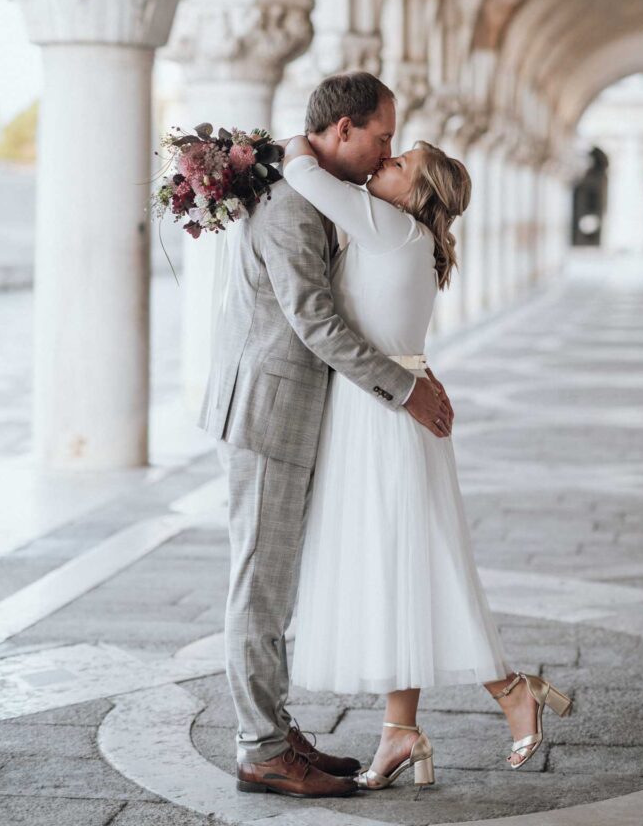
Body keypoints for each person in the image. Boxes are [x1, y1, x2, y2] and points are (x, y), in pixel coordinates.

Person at [283, 133, 573, 789]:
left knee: (411, 562)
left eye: (399, 162)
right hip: (391, 409)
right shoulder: (409, 238)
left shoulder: (385, 224)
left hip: (380, 419)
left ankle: (510, 690)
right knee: (402, 568)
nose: (385, 162)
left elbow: (302, 171)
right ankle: (400, 731)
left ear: (415, 194)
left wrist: (286, 141)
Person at [197, 72, 454, 799]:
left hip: (284, 408)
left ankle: (273, 730)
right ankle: (260, 749)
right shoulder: (289, 207)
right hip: (268, 410)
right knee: (260, 582)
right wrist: (403, 390)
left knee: (272, 581)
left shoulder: (306, 188)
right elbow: (314, 322)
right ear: (341, 130)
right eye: (380, 136)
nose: (386, 152)